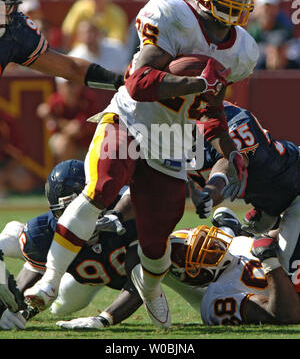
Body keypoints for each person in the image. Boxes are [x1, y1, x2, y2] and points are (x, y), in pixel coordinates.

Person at [24, 0, 258, 329]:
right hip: (131, 118)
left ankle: (150, 291)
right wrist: (197, 82)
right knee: (102, 187)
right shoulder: (172, 14)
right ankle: (49, 281)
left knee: (156, 238)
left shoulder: (243, 49)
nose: (237, 3)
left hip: (171, 138)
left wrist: (229, 151)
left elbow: (210, 108)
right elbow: (138, 83)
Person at [56, 207, 300, 329]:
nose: (214, 247)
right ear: (196, 275)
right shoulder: (218, 296)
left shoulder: (232, 245)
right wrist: (269, 261)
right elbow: (286, 316)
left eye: (209, 242)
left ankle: (236, 227)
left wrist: (266, 225)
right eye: (205, 254)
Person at [0, 159, 140, 329]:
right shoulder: (45, 231)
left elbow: (143, 281)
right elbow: (25, 286)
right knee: (60, 306)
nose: (74, 219)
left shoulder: (126, 210)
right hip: (82, 275)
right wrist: (13, 309)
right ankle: (9, 238)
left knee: (171, 257)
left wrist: (103, 319)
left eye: (79, 208)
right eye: (64, 212)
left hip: (105, 272)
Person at [187, 100, 300, 289]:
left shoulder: (231, 118)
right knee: (275, 275)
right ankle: (241, 235)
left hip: (296, 187)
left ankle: (237, 234)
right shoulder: (170, 137)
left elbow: (230, 161)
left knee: (285, 278)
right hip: (277, 202)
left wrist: (209, 191)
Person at [0, 0, 123, 91]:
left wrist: (121, 84)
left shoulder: (15, 31)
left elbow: (71, 68)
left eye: (8, 8)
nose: (5, 15)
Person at [36, 77, 101, 163]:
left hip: (89, 146)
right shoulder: (54, 101)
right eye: (69, 84)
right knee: (62, 144)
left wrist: (55, 120)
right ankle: (66, 173)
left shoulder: (88, 99)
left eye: (75, 83)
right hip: (69, 145)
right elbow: (54, 129)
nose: (72, 88)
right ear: (59, 86)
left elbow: (76, 129)